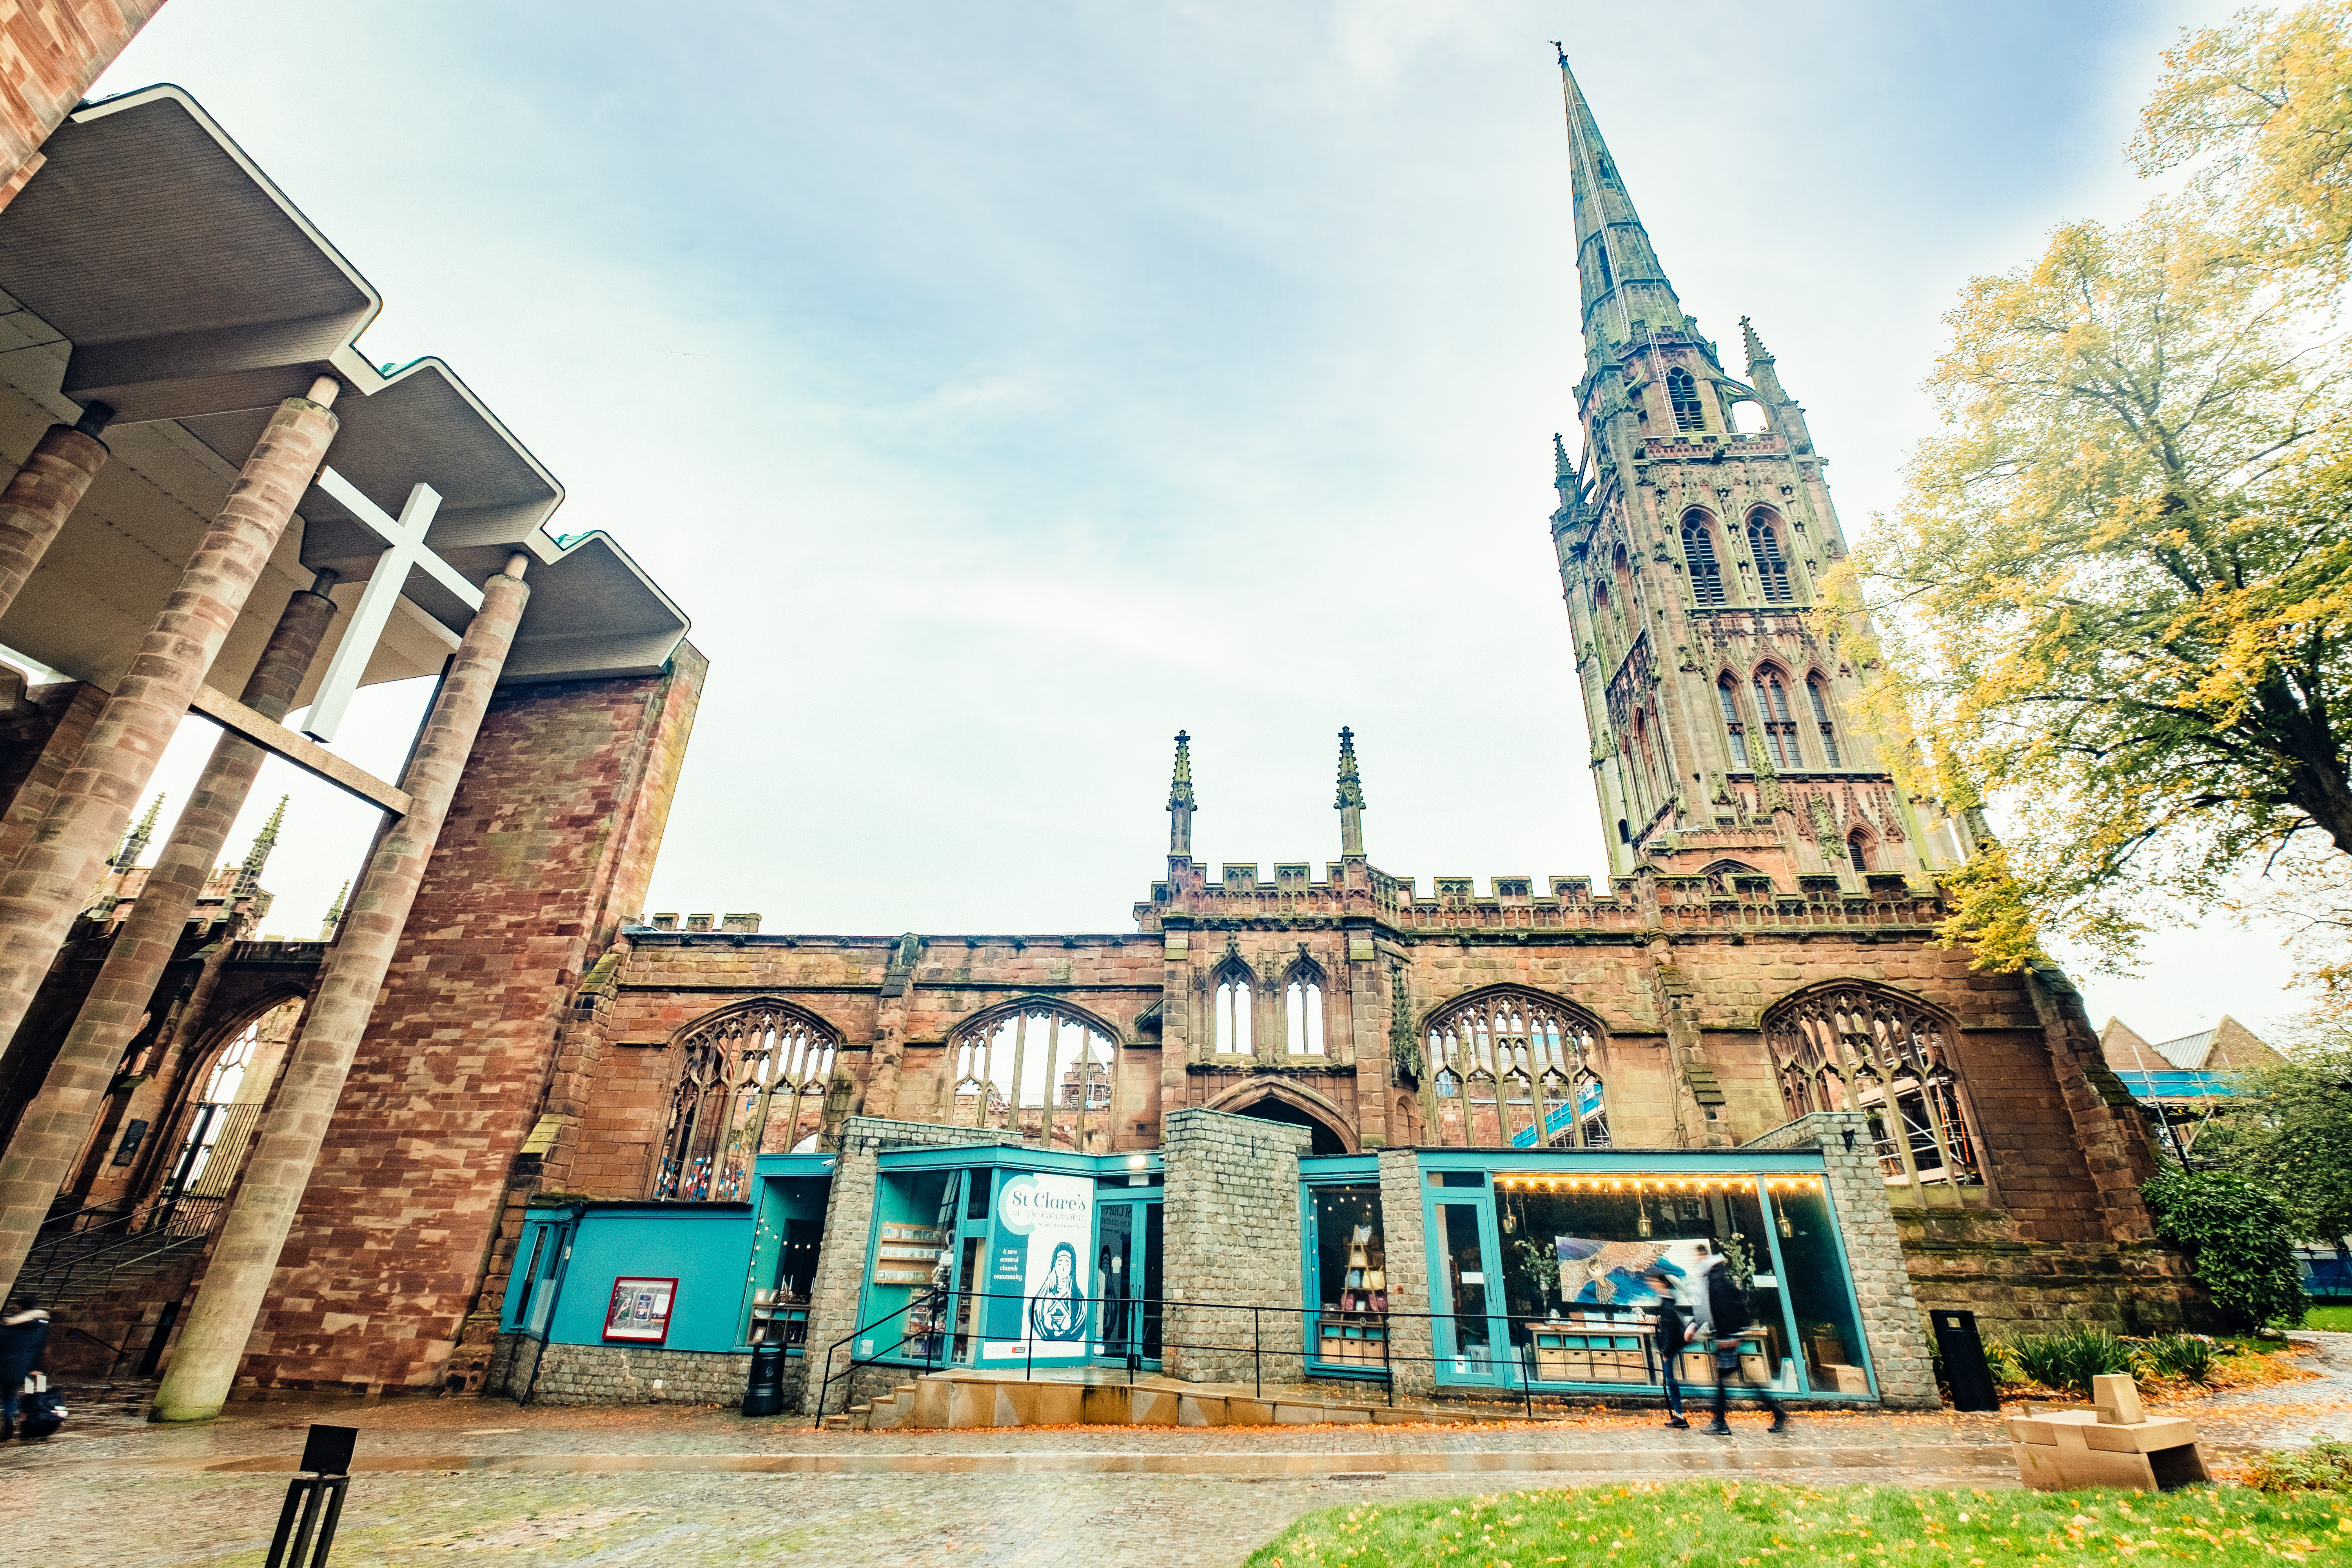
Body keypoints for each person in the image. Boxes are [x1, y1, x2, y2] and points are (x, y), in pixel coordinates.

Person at [1700, 1252, 1788, 1436]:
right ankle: (1777, 1413)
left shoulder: (1717, 1283)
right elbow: (1733, 1309)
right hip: (1728, 1337)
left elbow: (1726, 1311)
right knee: (1740, 1381)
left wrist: (1729, 1338)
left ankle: (1721, 1423)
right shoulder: (1720, 1281)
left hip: (1728, 1339)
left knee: (1723, 1383)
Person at [1640, 1266, 1689, 1429]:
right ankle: (1679, 1415)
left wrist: (1666, 1351)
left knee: (1671, 1380)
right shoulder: (1667, 1299)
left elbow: (1668, 1328)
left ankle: (1680, 1416)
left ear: (1660, 1282)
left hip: (1670, 1347)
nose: (1650, 1285)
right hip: (1671, 1346)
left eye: (1652, 1282)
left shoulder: (1666, 1302)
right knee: (1670, 1380)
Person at [0, 1305, 49, 1440]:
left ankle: (9, 1423)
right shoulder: (42, 1324)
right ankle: (31, 1424)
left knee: (8, 1396)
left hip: (8, 1367)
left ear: (19, 1308)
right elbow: (40, 1347)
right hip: (30, 1368)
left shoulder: (9, 1324)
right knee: (30, 1396)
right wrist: (37, 1367)